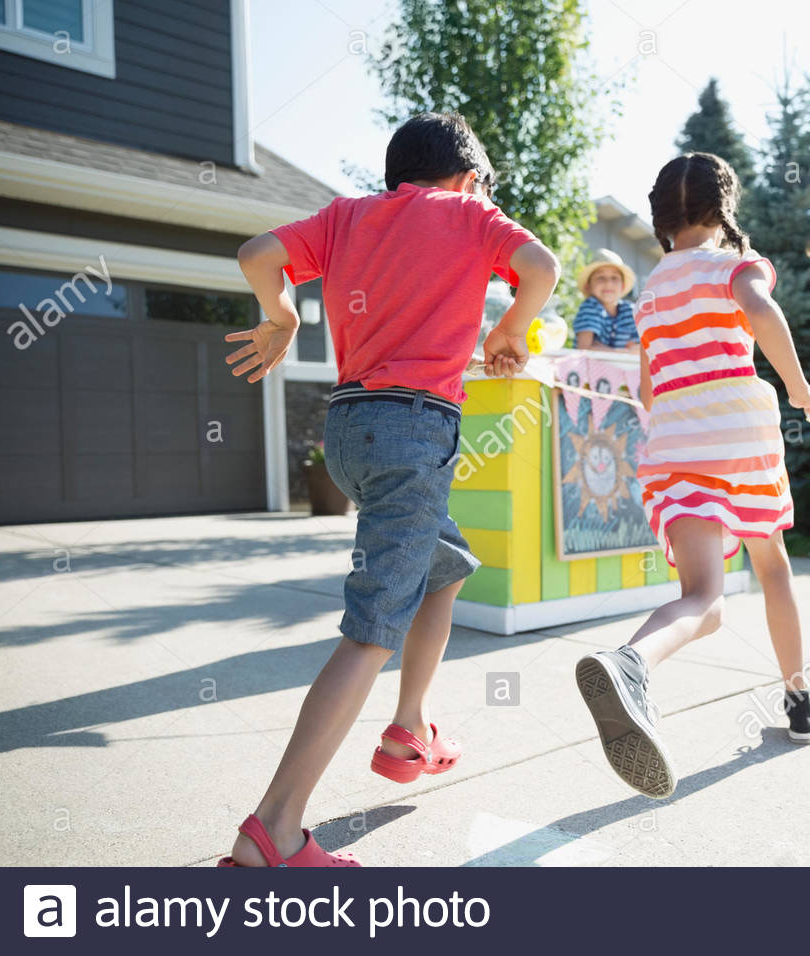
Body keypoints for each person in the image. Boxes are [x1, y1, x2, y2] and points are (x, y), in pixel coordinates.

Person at [217, 112, 559, 865]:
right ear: (469, 178)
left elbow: (256, 254)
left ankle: (412, 727)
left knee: (443, 566)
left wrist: (279, 314)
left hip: (350, 430)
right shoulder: (470, 213)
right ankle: (273, 830)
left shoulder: (345, 216)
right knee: (373, 627)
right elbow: (542, 267)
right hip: (414, 431)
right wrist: (512, 335)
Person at [574, 153, 810, 798]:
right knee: (772, 569)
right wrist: (802, 389)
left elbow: (646, 386)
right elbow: (763, 313)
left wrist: (671, 423)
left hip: (676, 442)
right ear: (723, 212)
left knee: (703, 600)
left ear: (661, 218)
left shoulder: (650, 290)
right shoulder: (733, 266)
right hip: (739, 435)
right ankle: (797, 697)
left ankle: (630, 662)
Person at [573, 248, 640, 352]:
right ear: (588, 286)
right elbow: (584, 348)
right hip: (589, 367)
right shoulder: (590, 307)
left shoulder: (630, 311)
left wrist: (599, 347)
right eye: (600, 278)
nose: (608, 283)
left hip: (624, 367)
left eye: (614, 278)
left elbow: (636, 348)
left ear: (622, 286)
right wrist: (622, 352)